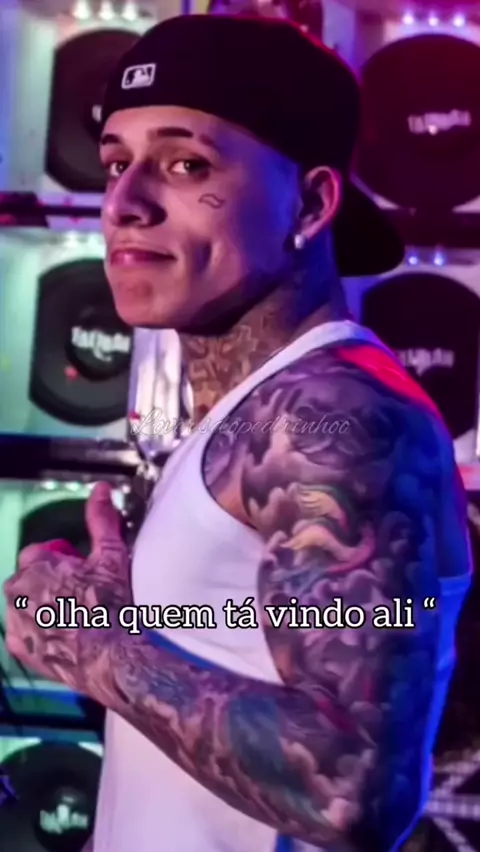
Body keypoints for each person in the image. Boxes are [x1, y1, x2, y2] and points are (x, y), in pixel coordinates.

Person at [4, 14, 472, 852]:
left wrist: (90, 644)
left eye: (187, 164)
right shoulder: (258, 410)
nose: (124, 204)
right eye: (115, 163)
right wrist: (127, 621)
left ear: (311, 203)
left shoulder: (333, 416)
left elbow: (350, 786)